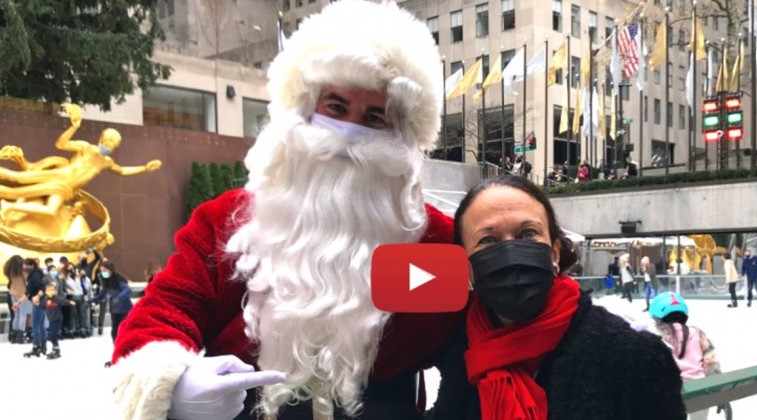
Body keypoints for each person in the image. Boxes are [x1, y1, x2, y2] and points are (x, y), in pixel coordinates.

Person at [111, 2, 463, 419]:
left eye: (374, 117)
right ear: (304, 109)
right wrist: (175, 381)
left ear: (401, 136)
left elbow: (478, 346)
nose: (348, 136)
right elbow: (161, 315)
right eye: (335, 107)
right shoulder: (226, 223)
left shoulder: (432, 241)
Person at [426, 176, 685, 420]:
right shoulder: (462, 348)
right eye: (488, 240)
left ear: (555, 253)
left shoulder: (635, 357)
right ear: (465, 264)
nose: (510, 251)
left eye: (528, 233)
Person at [0, 104, 161, 220]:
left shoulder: (106, 162)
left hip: (66, 188)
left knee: (50, 210)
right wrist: (74, 127)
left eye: (111, 146)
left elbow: (122, 171)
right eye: (106, 143)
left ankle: (9, 206)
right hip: (60, 175)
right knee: (19, 178)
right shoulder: (86, 147)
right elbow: (60, 144)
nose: (108, 147)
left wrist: (145, 168)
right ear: (100, 139)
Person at [649, 292, 731, 420]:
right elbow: (711, 364)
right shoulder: (698, 333)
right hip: (700, 390)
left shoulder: (655, 338)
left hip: (672, 394)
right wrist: (720, 392)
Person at [92, 261, 133, 366]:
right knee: (114, 333)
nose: (103, 273)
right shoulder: (106, 282)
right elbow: (102, 295)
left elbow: (127, 290)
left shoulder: (118, 279)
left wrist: (118, 298)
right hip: (115, 311)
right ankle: (118, 355)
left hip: (125, 311)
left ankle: (128, 355)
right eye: (101, 271)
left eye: (105, 270)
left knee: (124, 333)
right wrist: (91, 300)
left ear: (110, 270)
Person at [40, 282, 76, 359]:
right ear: (45, 291)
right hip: (51, 320)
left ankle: (56, 349)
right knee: (51, 335)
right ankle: (55, 349)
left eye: (52, 290)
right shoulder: (45, 299)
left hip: (57, 319)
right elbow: (41, 305)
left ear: (55, 291)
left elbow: (63, 301)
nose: (50, 291)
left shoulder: (56, 298)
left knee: (52, 335)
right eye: (48, 290)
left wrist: (70, 302)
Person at [22, 258, 46, 357]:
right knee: (40, 325)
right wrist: (19, 302)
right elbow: (28, 292)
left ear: (31, 265)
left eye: (26, 265)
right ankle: (42, 347)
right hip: (38, 300)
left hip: (38, 301)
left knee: (36, 325)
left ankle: (36, 347)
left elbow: (42, 287)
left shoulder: (35, 274)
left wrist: (37, 296)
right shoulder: (33, 274)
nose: (24, 267)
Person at [5, 255, 29, 343]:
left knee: (16, 315)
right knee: (23, 315)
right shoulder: (22, 272)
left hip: (12, 293)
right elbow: (27, 281)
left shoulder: (10, 271)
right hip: (22, 294)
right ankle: (21, 335)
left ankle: (14, 335)